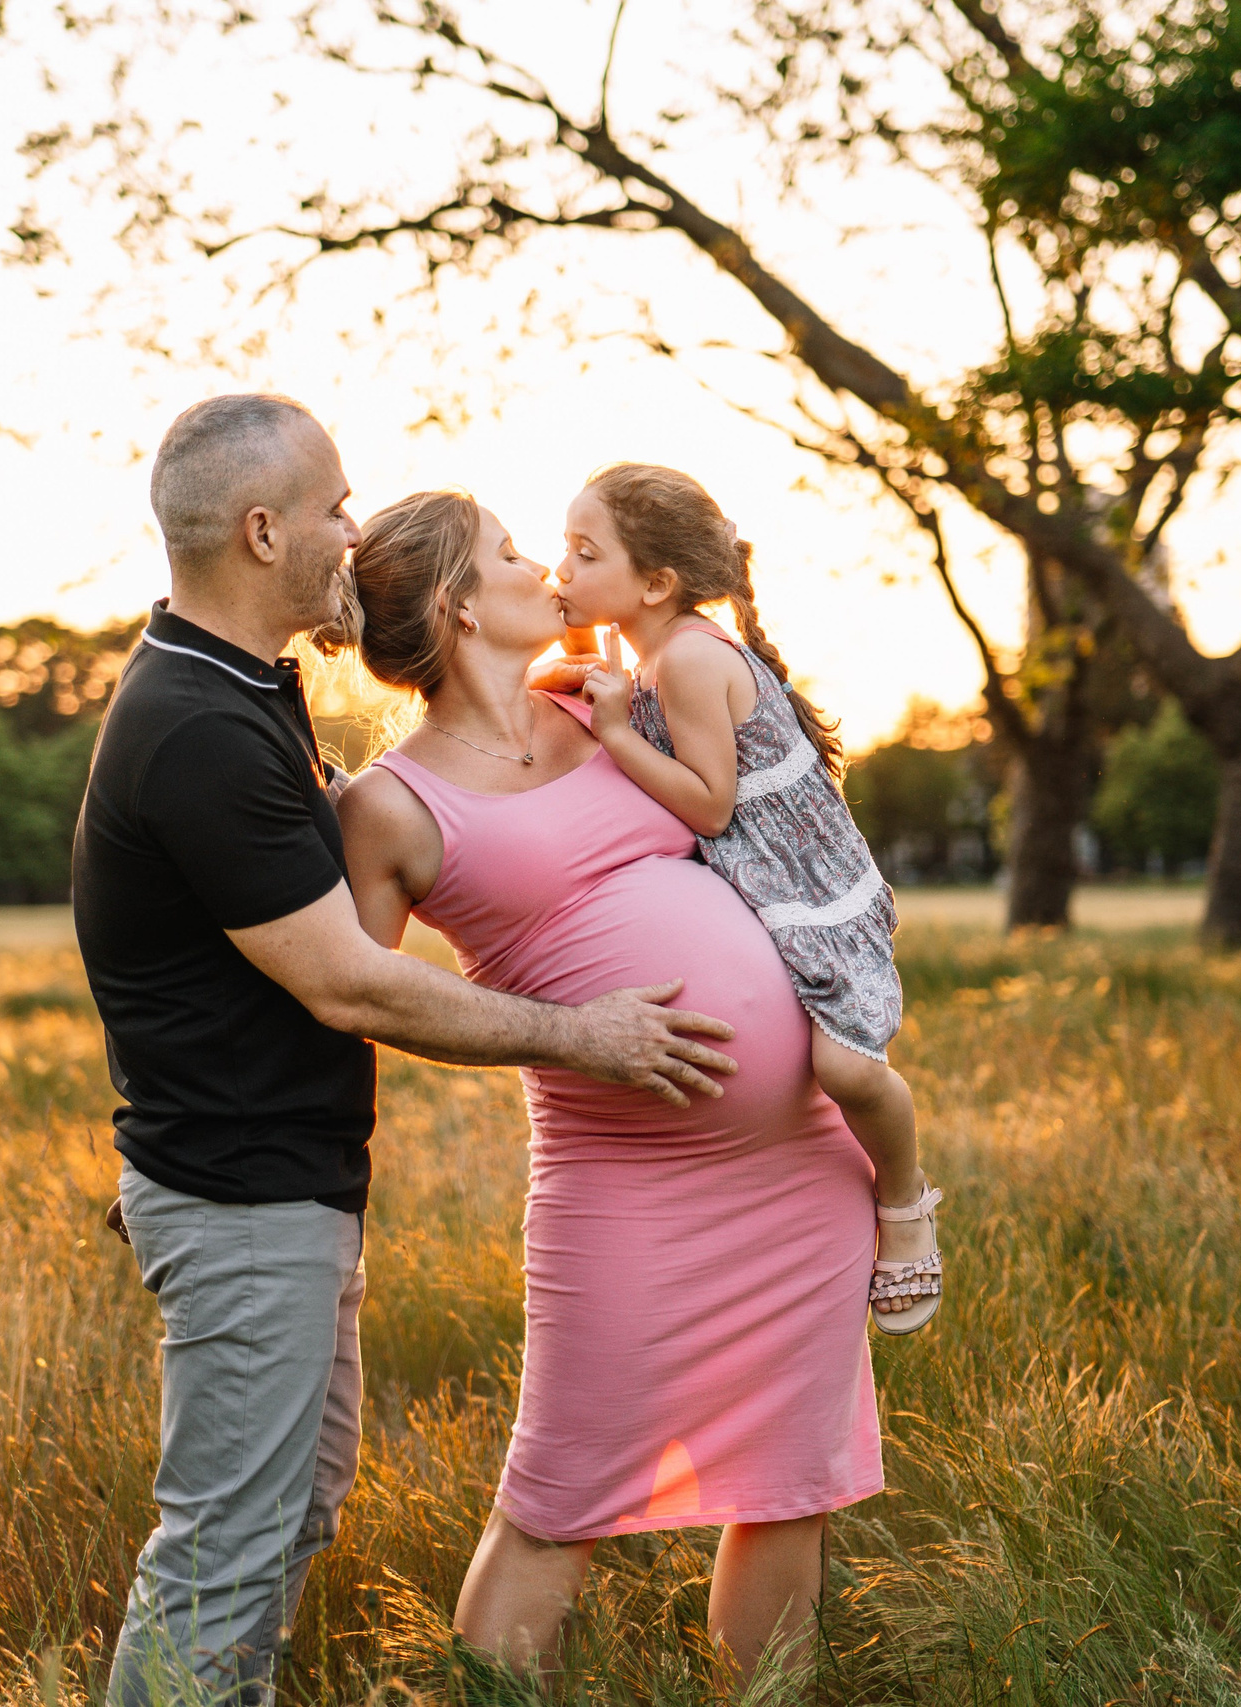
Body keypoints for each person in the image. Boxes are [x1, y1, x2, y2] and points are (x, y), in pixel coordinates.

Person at [77, 395, 741, 1707]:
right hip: (244, 1198)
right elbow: (346, 982)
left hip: (273, 1190)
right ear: (265, 530)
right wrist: (584, 1035)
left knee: (282, 1526)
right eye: (333, 507)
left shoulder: (242, 685)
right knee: (223, 1555)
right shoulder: (200, 724)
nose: (353, 528)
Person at [335, 490, 886, 1692]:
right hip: (620, 1182)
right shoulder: (389, 806)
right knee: (557, 1496)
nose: (544, 566)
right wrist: (575, 1034)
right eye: (512, 554)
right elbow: (359, 1001)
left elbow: (758, 811)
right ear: (459, 606)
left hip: (802, 1160)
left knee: (789, 1481)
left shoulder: (602, 706)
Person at [553, 463, 942, 1331]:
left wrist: (616, 730)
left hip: (815, 899)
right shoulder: (648, 651)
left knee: (845, 1067)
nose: (561, 572)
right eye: (560, 551)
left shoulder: (688, 657)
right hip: (765, 896)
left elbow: (710, 802)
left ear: (655, 583)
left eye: (584, 554)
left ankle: (906, 1202)